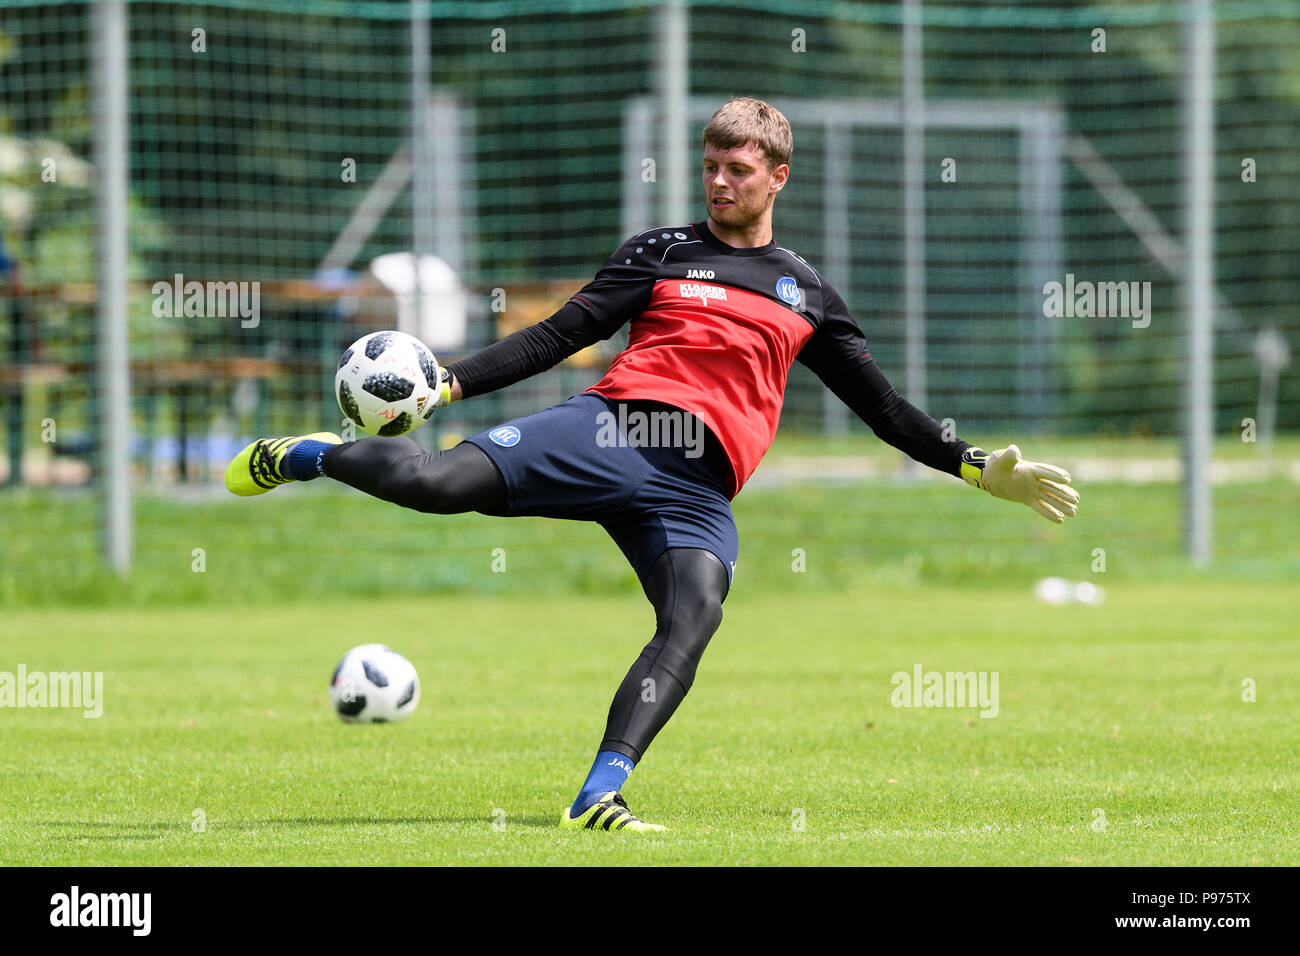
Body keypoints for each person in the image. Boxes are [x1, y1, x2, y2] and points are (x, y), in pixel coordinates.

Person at [225, 97, 1079, 833]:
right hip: (613, 432)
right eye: (710, 166)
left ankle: (600, 794)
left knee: (694, 619)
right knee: (435, 486)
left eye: (738, 169)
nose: (719, 182)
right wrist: (450, 382)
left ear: (778, 175)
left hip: (695, 490)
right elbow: (562, 335)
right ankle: (309, 455)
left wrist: (972, 466)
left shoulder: (805, 293)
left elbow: (884, 410)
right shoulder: (662, 251)